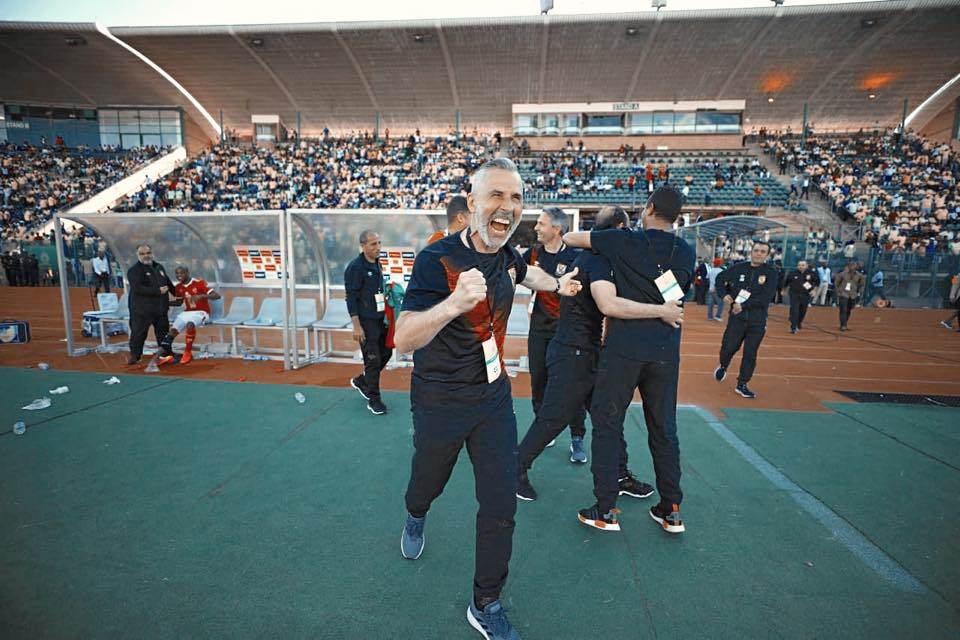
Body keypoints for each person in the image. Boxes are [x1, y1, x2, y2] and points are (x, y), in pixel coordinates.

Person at [394, 157, 582, 640]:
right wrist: (453, 304)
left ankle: (486, 602)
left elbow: (527, 274)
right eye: (496, 195)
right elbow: (404, 337)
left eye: (516, 197)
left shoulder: (508, 255)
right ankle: (416, 514)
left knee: (500, 503)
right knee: (427, 482)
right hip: (439, 397)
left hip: (493, 398)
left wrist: (558, 284)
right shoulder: (436, 259)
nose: (508, 206)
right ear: (473, 203)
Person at [516, 206, 683, 502]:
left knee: (607, 419)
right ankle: (514, 470)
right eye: (626, 231)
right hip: (573, 353)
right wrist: (661, 310)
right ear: (616, 230)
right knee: (553, 418)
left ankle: (619, 474)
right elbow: (609, 305)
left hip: (587, 351)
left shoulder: (599, 258)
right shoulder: (596, 260)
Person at [563, 186, 695, 534]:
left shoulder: (623, 240)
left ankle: (606, 509)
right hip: (665, 350)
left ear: (649, 208)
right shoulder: (685, 251)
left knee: (607, 424)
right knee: (664, 429)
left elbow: (570, 238)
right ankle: (671, 510)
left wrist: (604, 241)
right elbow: (675, 297)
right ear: (677, 216)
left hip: (624, 349)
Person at [522, 207, 585, 461]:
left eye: (541, 223)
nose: (536, 227)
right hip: (539, 330)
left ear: (556, 229)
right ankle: (543, 430)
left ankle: (577, 436)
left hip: (566, 333)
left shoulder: (575, 256)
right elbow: (512, 272)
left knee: (570, 385)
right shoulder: (532, 254)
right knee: (538, 381)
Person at [714, 241, 779, 399]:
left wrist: (743, 305)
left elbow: (766, 297)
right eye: (756, 250)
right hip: (737, 318)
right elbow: (720, 279)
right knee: (729, 347)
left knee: (750, 353)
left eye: (762, 251)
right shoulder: (738, 268)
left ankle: (742, 384)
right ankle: (723, 365)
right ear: (751, 252)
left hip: (757, 321)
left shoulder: (771, 273)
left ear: (767, 255)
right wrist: (724, 295)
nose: (759, 253)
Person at [345, 229, 392, 415]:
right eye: (373, 244)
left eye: (379, 243)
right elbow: (351, 298)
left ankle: (363, 381)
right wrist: (357, 326)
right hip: (366, 322)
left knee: (387, 352)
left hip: (381, 319)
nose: (378, 247)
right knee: (373, 360)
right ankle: (374, 400)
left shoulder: (378, 263)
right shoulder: (355, 268)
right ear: (362, 246)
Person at [155, 266, 220, 365]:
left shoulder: (198, 283)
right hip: (187, 312)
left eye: (182, 273)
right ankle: (161, 356)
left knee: (190, 324)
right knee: (172, 332)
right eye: (177, 273)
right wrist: (165, 303)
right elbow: (179, 302)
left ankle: (187, 352)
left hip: (201, 312)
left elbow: (217, 296)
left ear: (187, 273)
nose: (179, 275)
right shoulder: (178, 287)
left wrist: (202, 296)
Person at [126, 245, 175, 366]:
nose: (146, 256)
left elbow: (168, 283)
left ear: (152, 253)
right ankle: (135, 356)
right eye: (142, 254)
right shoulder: (134, 270)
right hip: (141, 310)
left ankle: (166, 354)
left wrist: (179, 293)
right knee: (138, 333)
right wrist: (158, 291)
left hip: (160, 309)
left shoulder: (159, 267)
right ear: (138, 255)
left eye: (148, 253)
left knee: (163, 333)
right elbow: (138, 288)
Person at [783, 260, 819, 333]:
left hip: (805, 294)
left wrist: (814, 290)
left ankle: (798, 322)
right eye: (799, 265)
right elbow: (786, 282)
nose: (801, 266)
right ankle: (793, 327)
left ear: (806, 266)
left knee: (803, 310)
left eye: (803, 265)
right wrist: (783, 290)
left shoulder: (811, 273)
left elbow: (817, 282)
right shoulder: (792, 273)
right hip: (794, 294)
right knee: (794, 310)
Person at [835, 261, 866, 331]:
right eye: (851, 265)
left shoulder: (859, 275)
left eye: (854, 266)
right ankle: (843, 325)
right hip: (843, 294)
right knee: (843, 309)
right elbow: (836, 283)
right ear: (848, 266)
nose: (852, 267)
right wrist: (839, 292)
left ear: (856, 267)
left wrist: (859, 292)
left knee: (849, 310)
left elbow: (862, 284)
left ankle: (845, 323)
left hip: (853, 295)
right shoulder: (842, 274)